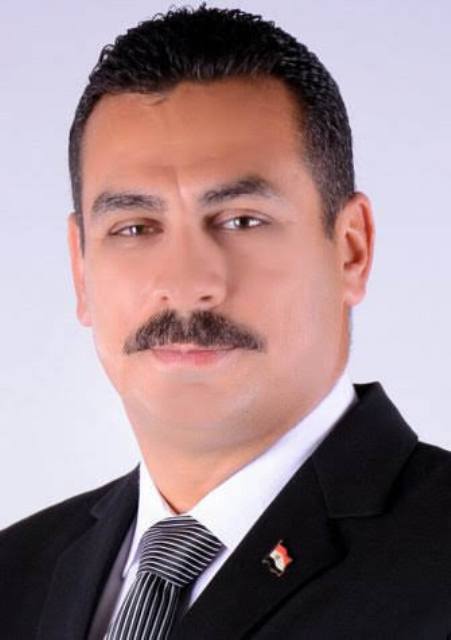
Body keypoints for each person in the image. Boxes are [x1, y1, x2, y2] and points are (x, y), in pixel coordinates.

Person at [1, 5, 450, 639]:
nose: (187, 282)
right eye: (135, 228)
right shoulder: (15, 574)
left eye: (241, 220)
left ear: (351, 249)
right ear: (81, 270)